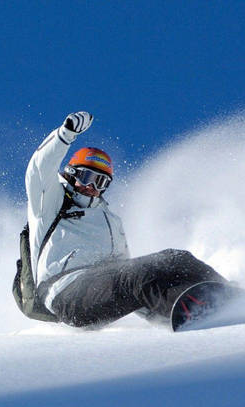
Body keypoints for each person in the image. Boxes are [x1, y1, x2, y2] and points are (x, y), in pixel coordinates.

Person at [24, 111, 227, 328]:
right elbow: (38, 170)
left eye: (101, 182)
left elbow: (126, 279)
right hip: (65, 292)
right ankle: (193, 314)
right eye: (88, 178)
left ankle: (223, 294)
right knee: (136, 275)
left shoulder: (110, 221)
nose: (93, 188)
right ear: (72, 173)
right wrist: (64, 135)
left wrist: (151, 315)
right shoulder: (50, 203)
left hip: (102, 285)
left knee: (175, 258)